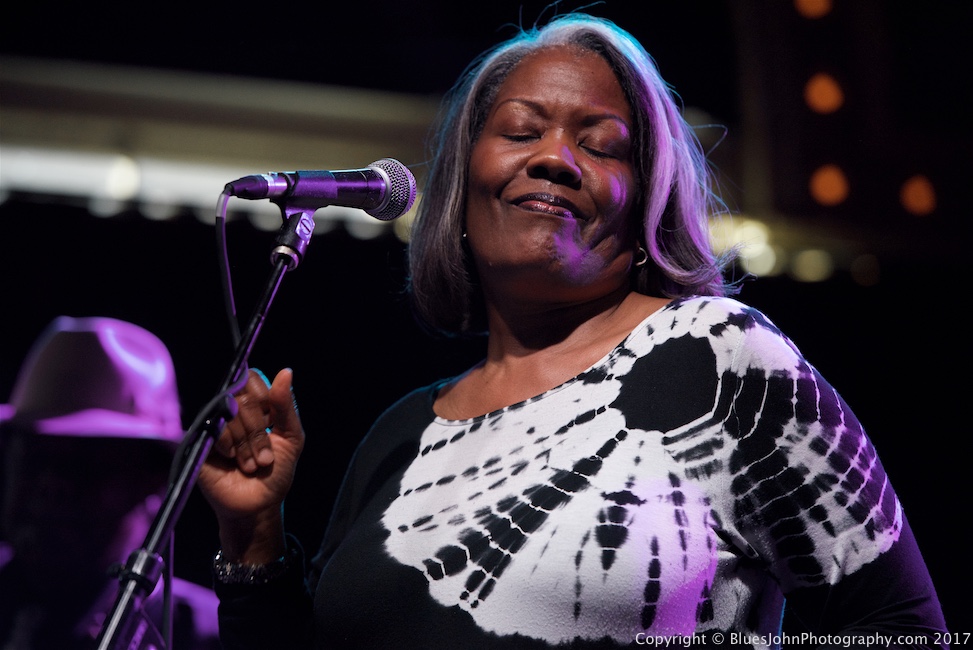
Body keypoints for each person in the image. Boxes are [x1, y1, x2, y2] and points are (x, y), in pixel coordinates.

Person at [198, 12, 948, 649]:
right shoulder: (401, 434)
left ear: (646, 195)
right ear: (466, 178)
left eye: (599, 144)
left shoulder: (719, 358)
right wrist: (255, 537)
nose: (554, 159)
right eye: (522, 131)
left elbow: (897, 625)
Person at [0, 316, 221, 649]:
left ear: (157, 478)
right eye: (34, 460)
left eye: (82, 466)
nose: (51, 486)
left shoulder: (205, 637)